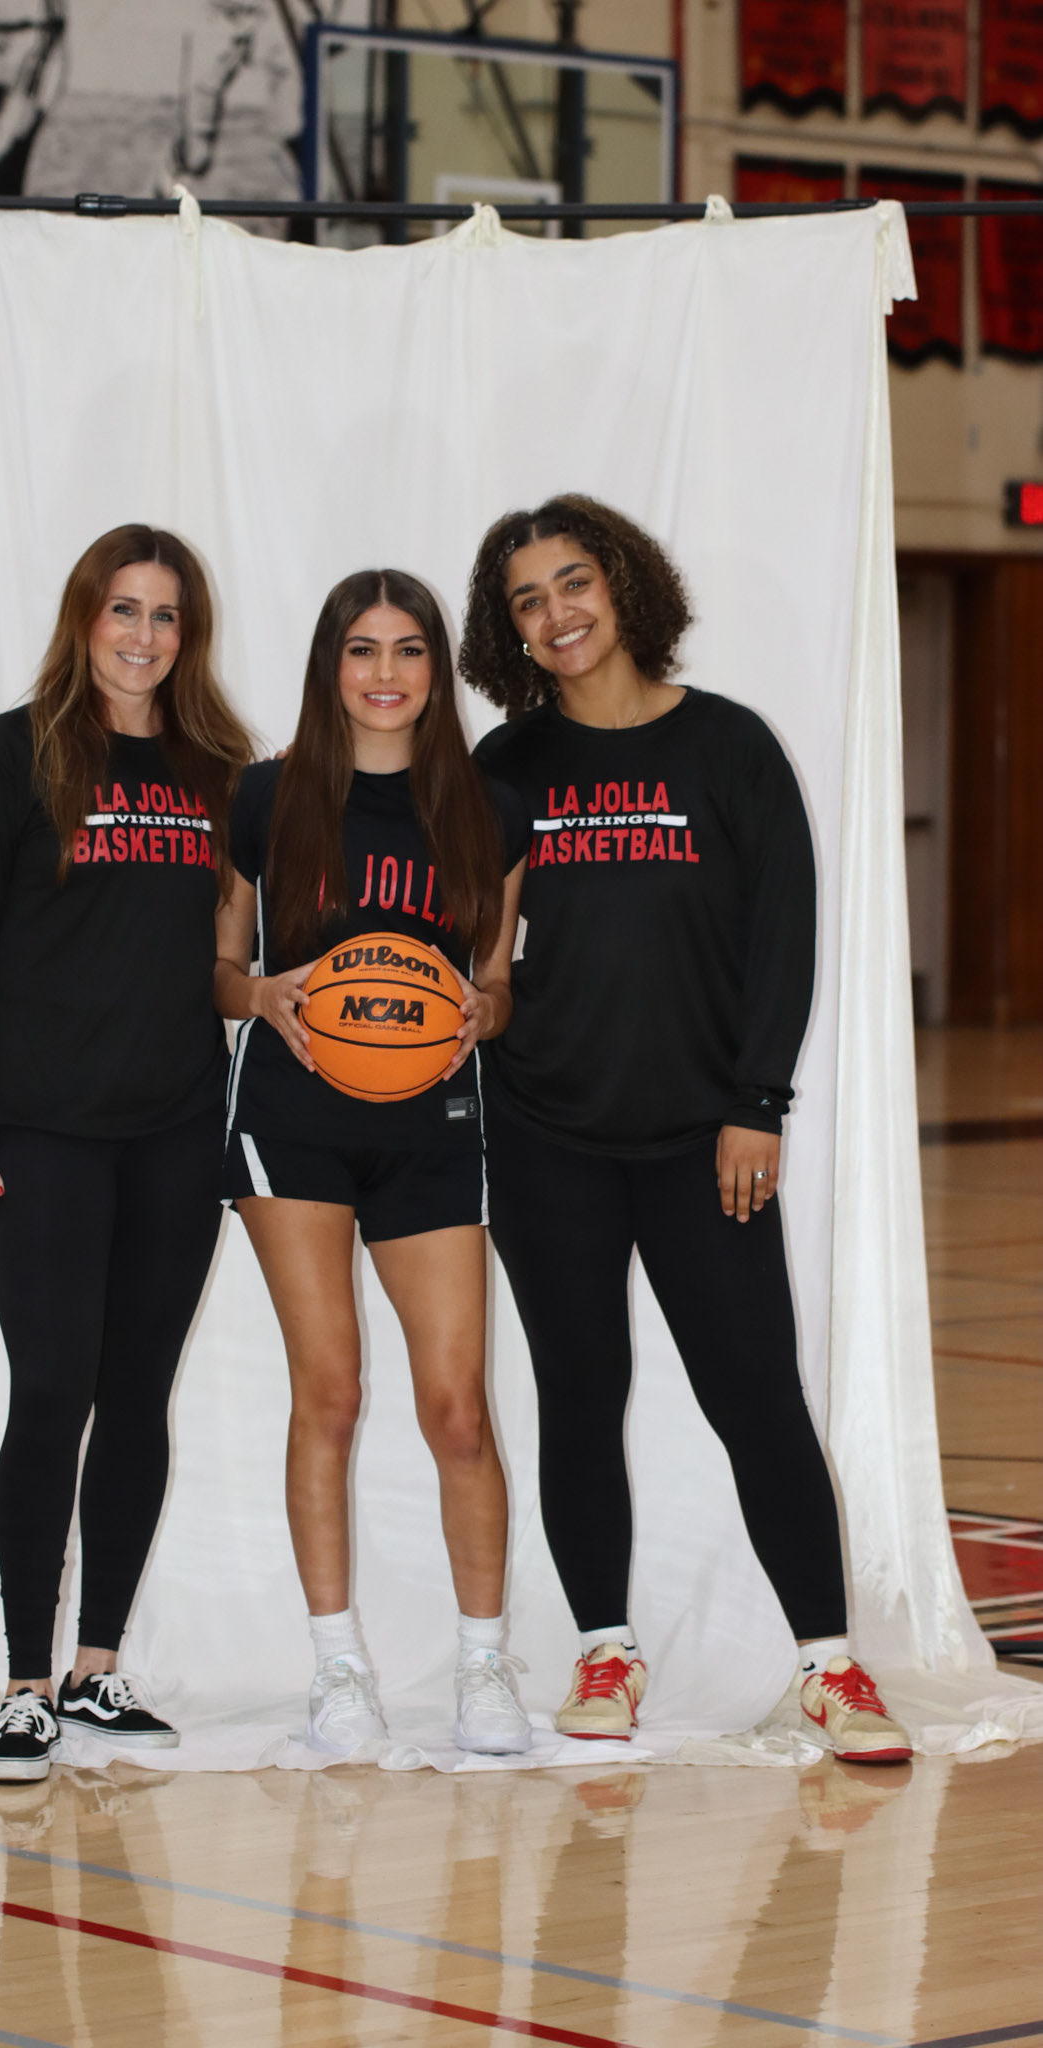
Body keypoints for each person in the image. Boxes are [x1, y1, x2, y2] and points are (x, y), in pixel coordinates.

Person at [460, 495, 912, 1766]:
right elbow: (474, 943)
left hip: (702, 1141)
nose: (557, 613)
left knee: (756, 1393)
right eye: (527, 600)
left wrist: (755, 1105)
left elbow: (783, 937)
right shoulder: (507, 767)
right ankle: (605, 1649)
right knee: (579, 1392)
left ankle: (829, 1663)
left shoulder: (729, 746)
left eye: (574, 581)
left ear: (623, 583)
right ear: (510, 630)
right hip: (545, 1133)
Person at [0, 523, 253, 1782]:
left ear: (188, 634)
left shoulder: (218, 770)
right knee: (51, 1392)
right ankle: (23, 1683)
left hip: (176, 1129)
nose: (143, 635)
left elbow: (235, 947)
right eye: (124, 608)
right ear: (84, 616)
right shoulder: (13, 754)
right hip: (47, 1131)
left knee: (136, 1397)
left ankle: (97, 1666)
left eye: (166, 615)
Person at [214, 569, 532, 1757]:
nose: (385, 673)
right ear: (330, 665)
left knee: (457, 1405)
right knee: (333, 1391)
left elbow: (496, 981)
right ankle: (338, 1667)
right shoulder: (263, 797)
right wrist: (261, 993)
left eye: (408, 649)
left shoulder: (489, 810)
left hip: (432, 1124)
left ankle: (485, 1664)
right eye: (362, 649)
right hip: (290, 1118)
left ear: (435, 669)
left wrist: (482, 1013)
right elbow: (217, 969)